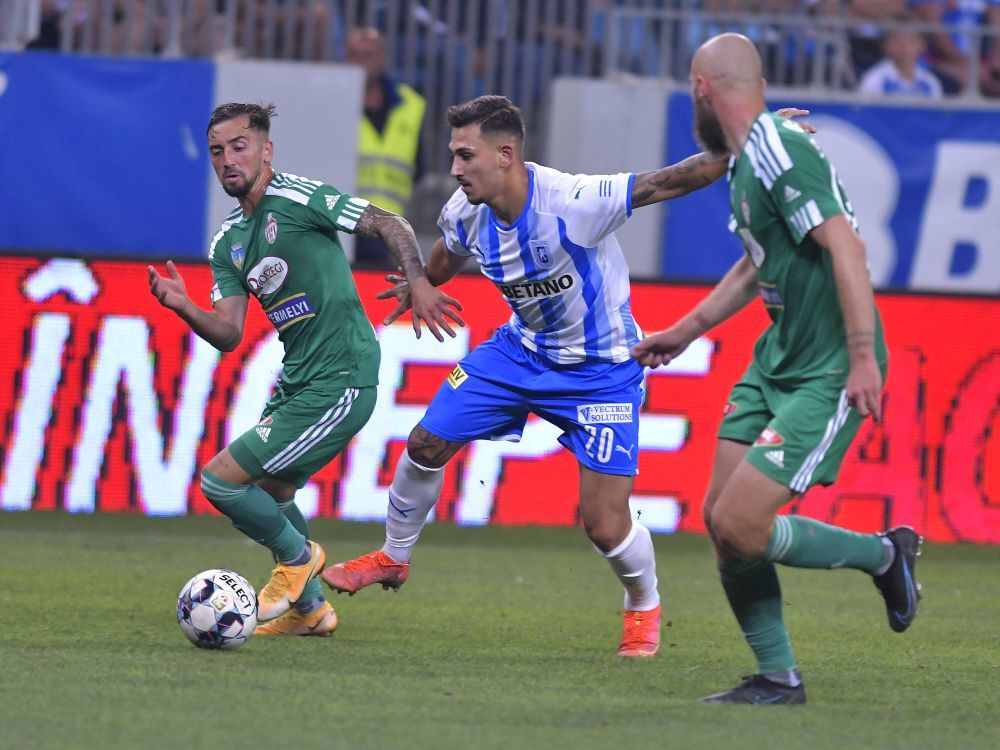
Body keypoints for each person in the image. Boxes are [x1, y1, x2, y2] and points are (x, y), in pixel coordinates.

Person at [320, 94, 809, 658]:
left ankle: (643, 603)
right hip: (518, 354)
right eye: (453, 156)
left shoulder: (574, 201)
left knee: (604, 525)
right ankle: (394, 556)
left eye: (464, 155)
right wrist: (422, 284)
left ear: (505, 154)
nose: (454, 169)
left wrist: (754, 140)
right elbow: (448, 256)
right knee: (426, 441)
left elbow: (669, 181)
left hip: (601, 372)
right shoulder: (465, 210)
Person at [632, 33, 922, 704]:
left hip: (825, 367)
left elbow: (846, 246)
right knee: (721, 523)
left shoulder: (778, 149)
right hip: (776, 360)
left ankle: (885, 555)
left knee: (741, 524)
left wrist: (858, 357)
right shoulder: (746, 161)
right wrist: (686, 330)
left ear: (702, 89)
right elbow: (757, 261)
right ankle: (777, 676)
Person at [148, 102, 462, 637]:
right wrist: (184, 306)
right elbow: (227, 333)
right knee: (269, 491)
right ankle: (310, 611)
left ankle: (296, 560)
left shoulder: (298, 198)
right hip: (300, 380)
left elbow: (390, 222)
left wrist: (419, 280)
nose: (228, 159)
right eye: (218, 151)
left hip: (342, 374)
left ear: (266, 150)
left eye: (239, 146)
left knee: (219, 482)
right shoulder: (228, 242)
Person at [346, 27, 427, 268]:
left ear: (382, 59)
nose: (359, 62)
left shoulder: (411, 104)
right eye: (353, 55)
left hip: (388, 225)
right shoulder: (333, 100)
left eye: (367, 55)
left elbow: (419, 167)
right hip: (341, 222)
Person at [857, 17, 944, 97]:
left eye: (910, 41)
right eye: (896, 41)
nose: (904, 47)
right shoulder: (874, 80)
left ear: (921, 45)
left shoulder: (930, 82)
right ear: (885, 45)